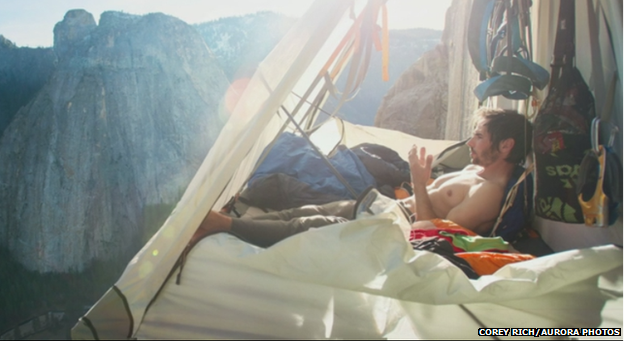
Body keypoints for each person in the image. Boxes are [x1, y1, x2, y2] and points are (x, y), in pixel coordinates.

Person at [191, 108, 533, 248]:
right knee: (301, 210)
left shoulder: (490, 193)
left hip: (396, 226)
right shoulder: (474, 170)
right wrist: (422, 182)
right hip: (385, 206)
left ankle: (219, 225)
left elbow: (431, 234)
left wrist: (417, 179)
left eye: (479, 137)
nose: (470, 143)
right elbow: (433, 204)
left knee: (308, 225)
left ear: (505, 146)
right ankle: (217, 226)